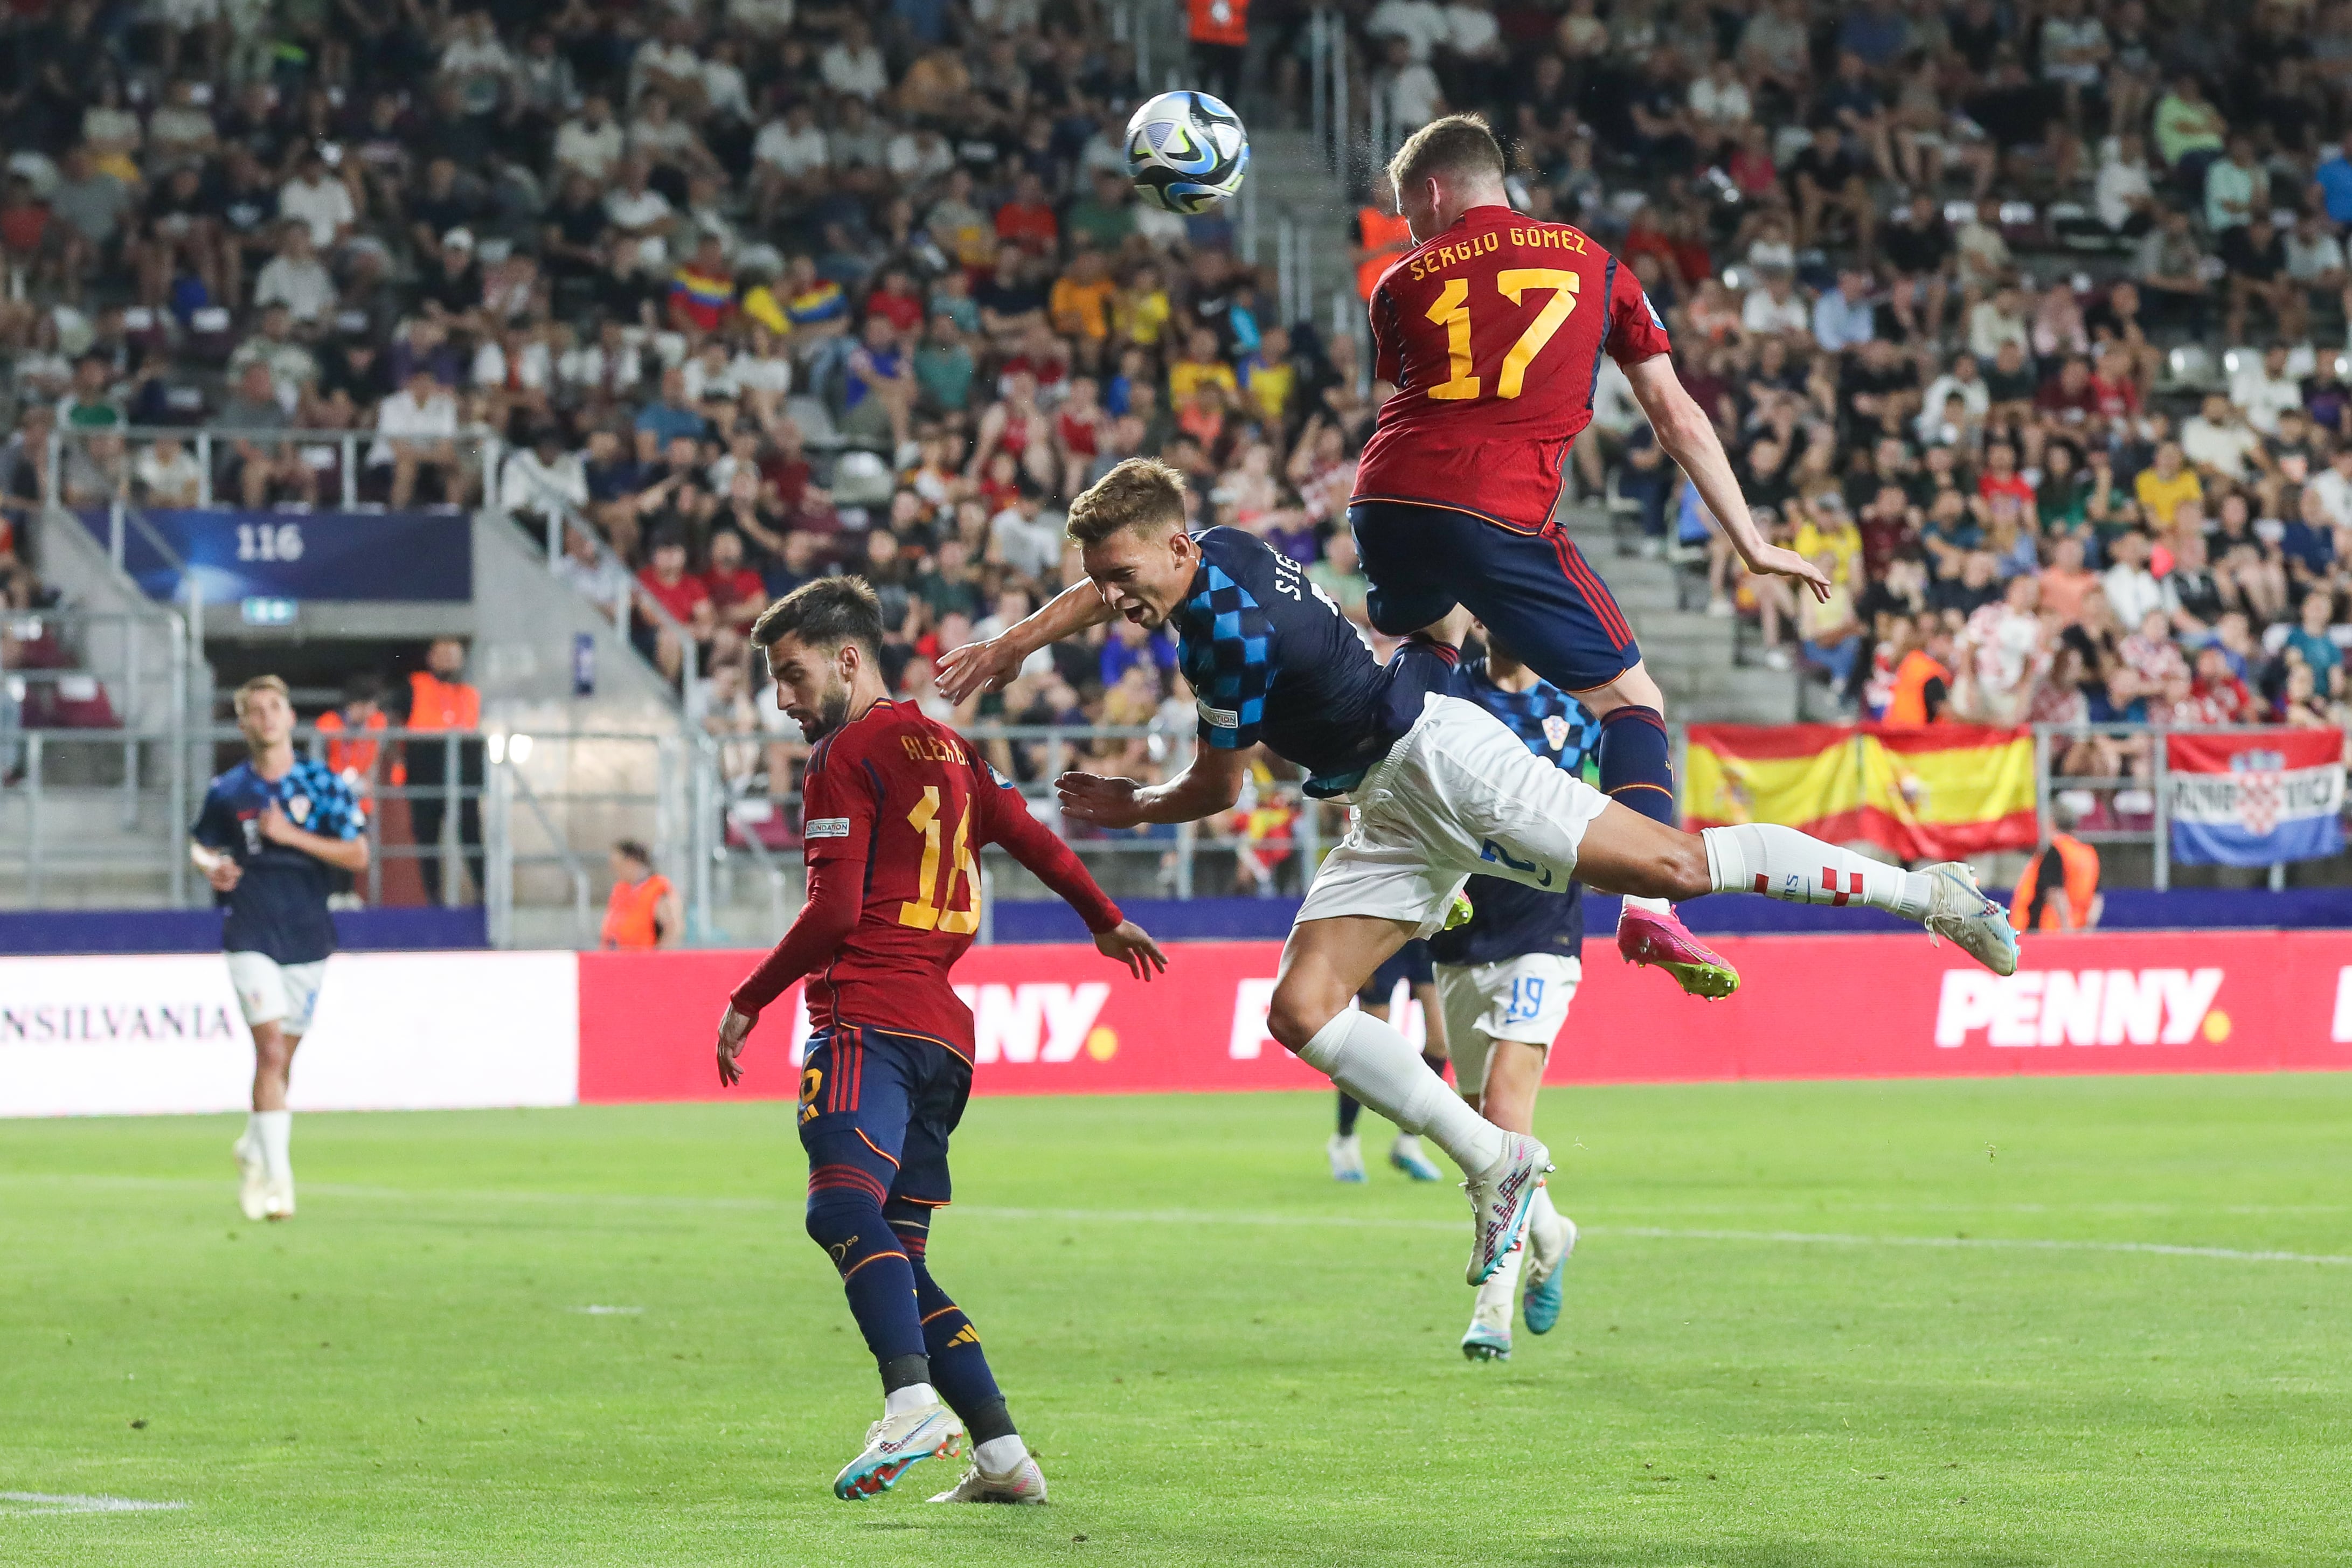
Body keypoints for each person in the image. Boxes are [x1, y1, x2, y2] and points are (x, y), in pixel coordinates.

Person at [939, 461, 2018, 1291]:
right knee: (1302, 1010)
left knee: (1678, 866)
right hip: (1384, 796)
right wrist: (1012, 646)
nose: (1111, 597)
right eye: (1104, 577)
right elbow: (1090, 595)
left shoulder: (1221, 637)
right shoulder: (1212, 548)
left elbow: (1218, 791)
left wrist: (1131, 803)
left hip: (1436, 759)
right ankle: (1498, 1166)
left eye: (1124, 575)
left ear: (1172, 551)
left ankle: (1933, 894)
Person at [1343, 113, 1834, 1001]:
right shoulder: (1598, 265)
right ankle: (1649, 900)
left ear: (1435, 192)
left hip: (1384, 501)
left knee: (1432, 639)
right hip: (1495, 507)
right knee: (1632, 699)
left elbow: (1398, 402)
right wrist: (1751, 544)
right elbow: (1675, 418)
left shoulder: (1397, 282)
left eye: (1408, 208)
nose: (1408, 227)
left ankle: (1409, 845)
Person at [711, 578, 1167, 1506]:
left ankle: (911, 1400)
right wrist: (1105, 919)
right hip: (944, 1043)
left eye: (795, 676)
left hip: (866, 1022)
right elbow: (1038, 839)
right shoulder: (954, 750)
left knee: (839, 1213)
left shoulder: (846, 755)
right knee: (902, 1256)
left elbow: (834, 911)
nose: (785, 700)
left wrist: (749, 997)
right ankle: (1001, 1456)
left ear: (849, 659)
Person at [1433, 630, 1592, 1362]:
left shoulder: (1576, 709)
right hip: (1462, 932)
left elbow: (1602, 815)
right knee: (1477, 1132)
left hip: (1544, 928)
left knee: (1504, 1108)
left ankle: (1491, 1307)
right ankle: (1552, 1233)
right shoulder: (1445, 698)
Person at [188, 676, 369, 1223]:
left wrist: (293, 837)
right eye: (254, 710)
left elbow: (359, 855)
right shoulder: (228, 790)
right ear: (242, 724)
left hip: (308, 935)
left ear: (291, 718)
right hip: (251, 930)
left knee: (281, 1064)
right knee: (269, 1053)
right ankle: (281, 1186)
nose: (266, 717)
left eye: (275, 707)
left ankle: (251, 1150)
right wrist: (209, 866)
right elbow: (201, 843)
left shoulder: (324, 784)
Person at [1328, 939, 1449, 1184]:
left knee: (1441, 1041)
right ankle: (1344, 1141)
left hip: (1427, 936)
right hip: (1386, 932)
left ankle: (1408, 1141)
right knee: (1368, 1046)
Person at [401, 638, 483, 904]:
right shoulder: (414, 688)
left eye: (454, 655)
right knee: (427, 841)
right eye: (443, 654)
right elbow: (391, 725)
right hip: (425, 775)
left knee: (471, 838)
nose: (448, 661)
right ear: (431, 658)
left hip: (464, 779)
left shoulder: (471, 694)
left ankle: (485, 894)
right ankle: (433, 899)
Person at [601, 839, 679, 949]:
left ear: (632, 862)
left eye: (618, 865)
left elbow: (672, 929)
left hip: (643, 960)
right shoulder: (621, 889)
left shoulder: (658, 888)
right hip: (617, 959)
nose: (614, 870)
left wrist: (657, 960)